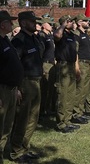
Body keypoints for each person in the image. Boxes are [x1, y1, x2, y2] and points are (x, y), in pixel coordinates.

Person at [10, 11, 44, 162]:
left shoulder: (34, 38)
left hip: (36, 81)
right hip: (25, 82)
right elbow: (14, 65)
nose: (35, 23)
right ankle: (16, 151)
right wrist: (17, 87)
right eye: (31, 21)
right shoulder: (19, 40)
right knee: (22, 118)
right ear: (23, 23)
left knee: (33, 117)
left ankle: (25, 147)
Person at [0, 11, 23, 164]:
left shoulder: (6, 40)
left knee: (7, 126)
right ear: (2, 24)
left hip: (11, 89)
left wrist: (17, 89)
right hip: (2, 91)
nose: (13, 25)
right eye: (10, 22)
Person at [53, 15, 80, 134]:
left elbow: (75, 52)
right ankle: (61, 123)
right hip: (62, 65)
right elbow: (57, 36)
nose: (72, 23)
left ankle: (68, 120)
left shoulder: (72, 35)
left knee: (70, 94)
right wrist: (63, 25)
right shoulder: (61, 34)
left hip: (71, 65)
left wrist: (76, 67)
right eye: (70, 22)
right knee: (62, 95)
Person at [73, 14, 90, 124]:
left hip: (87, 63)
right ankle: (76, 113)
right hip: (81, 63)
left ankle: (80, 111)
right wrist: (77, 67)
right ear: (79, 22)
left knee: (84, 89)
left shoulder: (84, 34)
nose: (87, 22)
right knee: (79, 89)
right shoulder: (77, 34)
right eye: (85, 21)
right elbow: (75, 52)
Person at [38, 18, 56, 117]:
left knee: (50, 88)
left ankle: (47, 109)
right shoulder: (42, 36)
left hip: (52, 63)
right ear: (44, 25)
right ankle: (42, 111)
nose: (51, 25)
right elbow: (41, 52)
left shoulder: (50, 36)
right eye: (49, 24)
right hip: (46, 64)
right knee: (44, 88)